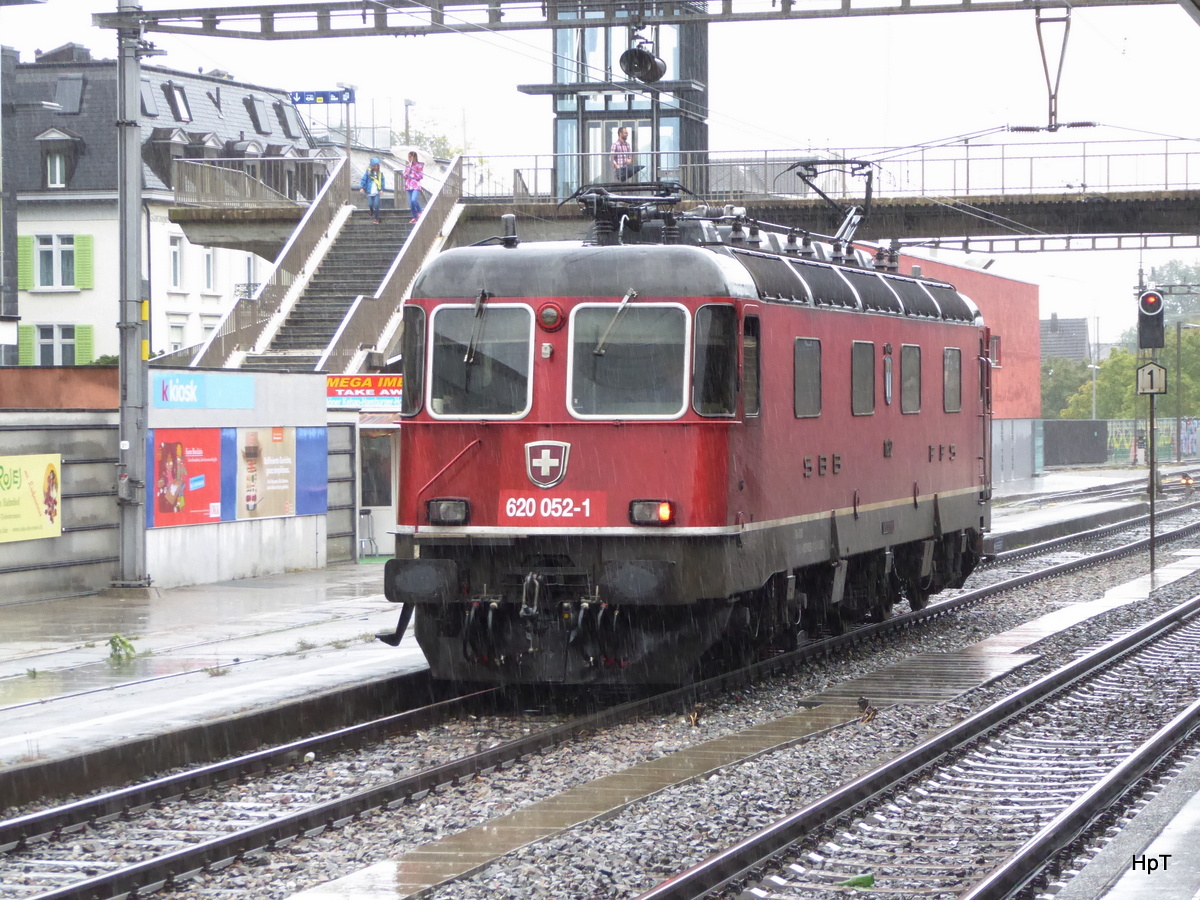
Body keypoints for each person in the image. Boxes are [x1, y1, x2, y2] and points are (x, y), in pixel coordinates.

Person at [359, 158, 385, 224]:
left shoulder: (380, 174)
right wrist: (362, 187)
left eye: (377, 166)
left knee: (376, 205)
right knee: (370, 204)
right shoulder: (368, 172)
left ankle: (376, 218)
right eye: (375, 166)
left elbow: (382, 181)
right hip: (370, 192)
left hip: (377, 192)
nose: (376, 167)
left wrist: (382, 189)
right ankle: (371, 210)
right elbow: (364, 179)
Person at [403, 151, 425, 223]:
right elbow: (404, 176)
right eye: (408, 157)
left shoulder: (419, 166)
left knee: (413, 200)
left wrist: (412, 174)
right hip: (408, 186)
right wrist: (408, 171)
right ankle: (414, 216)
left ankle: (420, 211)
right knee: (411, 203)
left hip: (415, 186)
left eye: (410, 157)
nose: (409, 158)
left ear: (414, 157)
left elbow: (420, 176)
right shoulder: (408, 166)